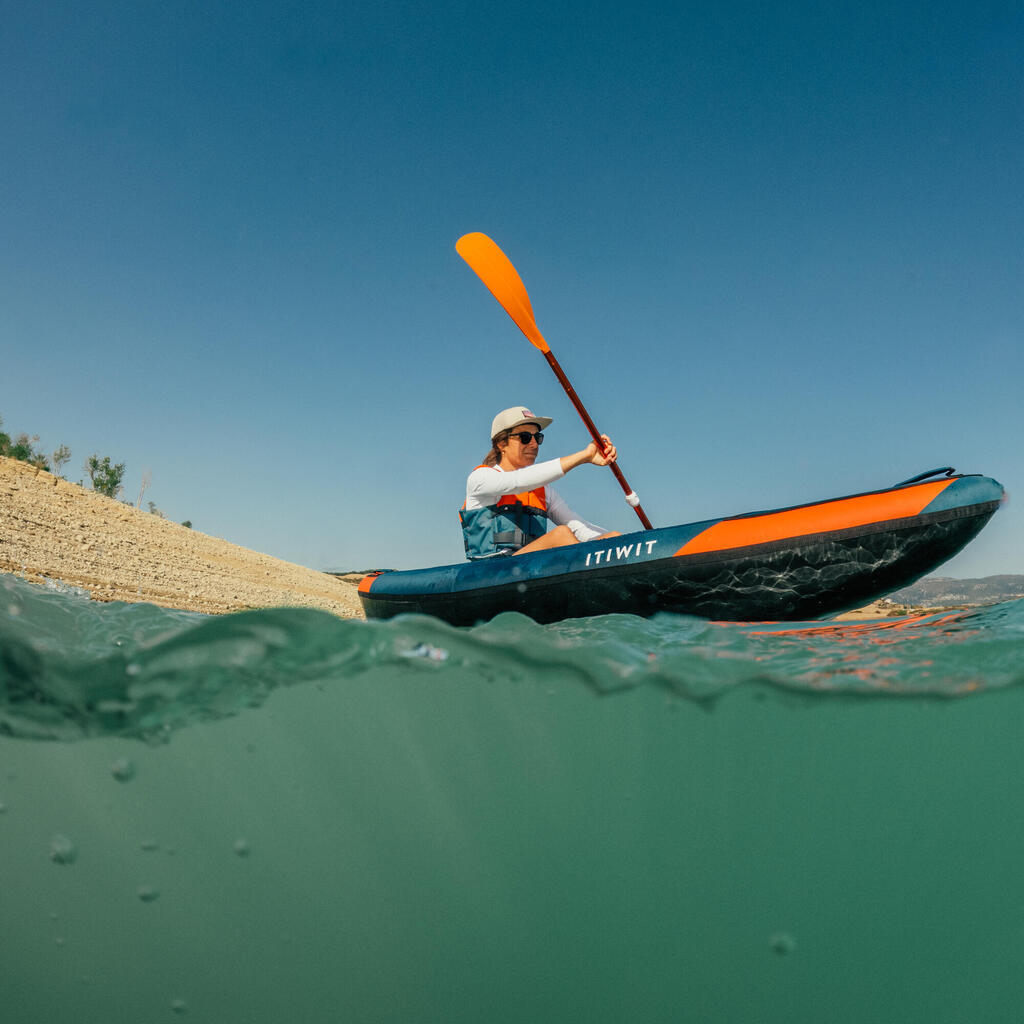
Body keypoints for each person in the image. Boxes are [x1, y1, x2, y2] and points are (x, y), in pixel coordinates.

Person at [461, 406, 621, 559]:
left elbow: (578, 527)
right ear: (502, 444)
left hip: (532, 567)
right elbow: (517, 481)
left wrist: (614, 543)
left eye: (538, 438)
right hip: (491, 570)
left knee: (613, 538)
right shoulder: (480, 479)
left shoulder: (544, 491)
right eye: (525, 438)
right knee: (561, 535)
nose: (534, 444)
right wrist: (584, 456)